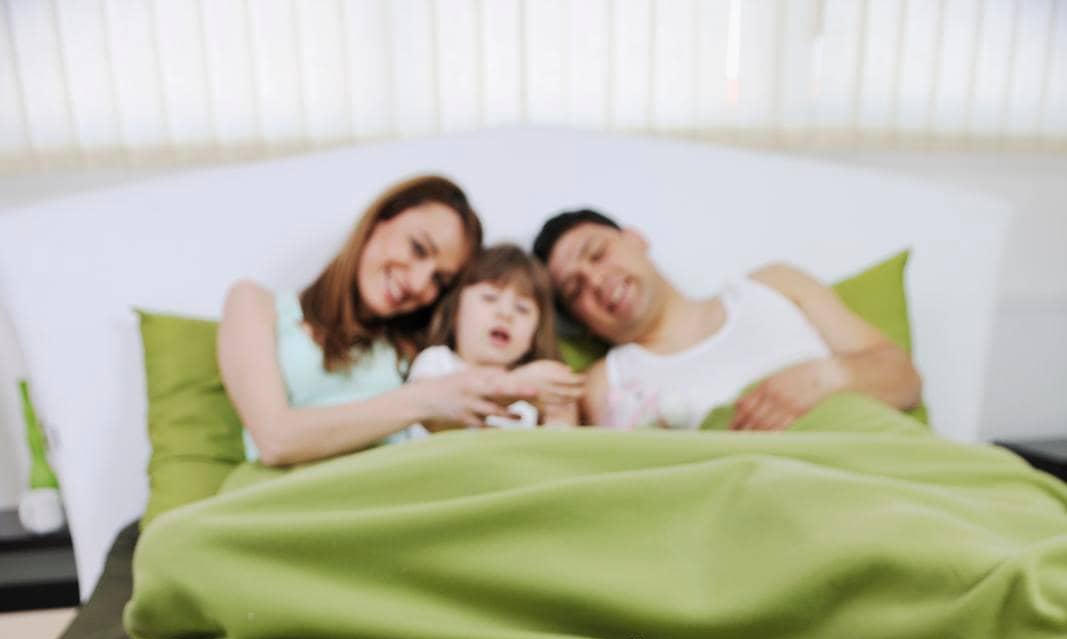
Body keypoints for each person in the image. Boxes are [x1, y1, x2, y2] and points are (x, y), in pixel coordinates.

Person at [219, 175, 533, 466]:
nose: (419, 284)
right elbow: (276, 439)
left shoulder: (416, 350)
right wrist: (424, 400)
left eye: (439, 280)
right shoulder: (255, 304)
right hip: (282, 501)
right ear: (379, 220)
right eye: (418, 248)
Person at [532, 208, 923, 430]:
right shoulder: (603, 383)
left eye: (598, 253)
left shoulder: (774, 285)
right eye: (574, 290)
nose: (597, 281)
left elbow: (904, 379)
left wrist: (824, 379)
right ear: (581, 323)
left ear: (635, 238)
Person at [406, 244, 585, 433]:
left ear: (533, 338)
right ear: (456, 312)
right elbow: (428, 414)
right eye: (490, 298)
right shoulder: (437, 361)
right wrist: (516, 386)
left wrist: (560, 414)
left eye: (522, 309)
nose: (506, 313)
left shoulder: (531, 401)